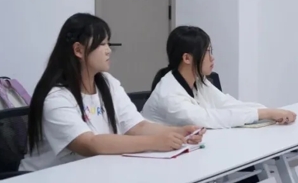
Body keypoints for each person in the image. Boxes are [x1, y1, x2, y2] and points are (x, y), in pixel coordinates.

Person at [20, 13, 205, 172]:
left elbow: (137, 126)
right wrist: (156, 142)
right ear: (78, 50)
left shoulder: (108, 83)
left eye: (108, 43)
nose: (109, 51)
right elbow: (90, 144)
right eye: (102, 44)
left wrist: (179, 132)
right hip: (43, 182)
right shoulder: (56, 98)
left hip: (90, 174)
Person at [142, 25, 296, 128]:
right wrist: (264, 113)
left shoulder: (198, 81)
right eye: (207, 52)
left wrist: (269, 111)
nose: (212, 58)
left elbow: (227, 104)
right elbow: (209, 119)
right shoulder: (169, 95)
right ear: (187, 58)